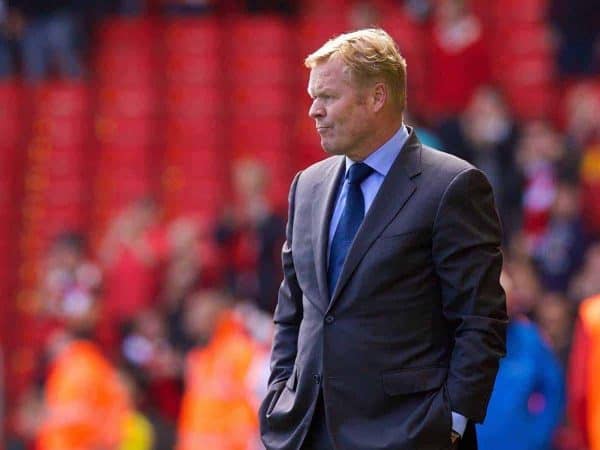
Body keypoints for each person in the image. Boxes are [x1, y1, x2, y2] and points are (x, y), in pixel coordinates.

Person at [258, 28, 507, 450]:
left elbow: (479, 321)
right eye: (312, 97)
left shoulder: (453, 185)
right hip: (308, 432)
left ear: (377, 98)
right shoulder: (307, 187)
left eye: (328, 97)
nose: (313, 111)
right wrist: (281, 392)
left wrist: (452, 424)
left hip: (410, 435)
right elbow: (293, 312)